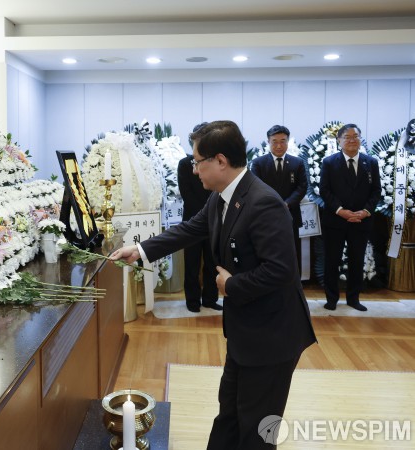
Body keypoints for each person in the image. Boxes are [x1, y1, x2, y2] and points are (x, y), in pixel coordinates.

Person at [111, 120, 316, 450]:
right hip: (245, 331)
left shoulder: (263, 202)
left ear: (220, 161)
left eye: (197, 162)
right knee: (229, 415)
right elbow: (191, 229)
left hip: (272, 336)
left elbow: (281, 270)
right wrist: (141, 250)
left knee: (256, 429)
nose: (194, 170)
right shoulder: (222, 197)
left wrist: (230, 285)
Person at [319, 124, 381, 312]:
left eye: (356, 136)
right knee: (332, 260)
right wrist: (340, 210)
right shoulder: (329, 162)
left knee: (357, 260)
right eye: (347, 137)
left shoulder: (371, 163)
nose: (352, 140)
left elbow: (376, 191)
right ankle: (331, 299)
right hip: (335, 220)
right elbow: (324, 190)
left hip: (361, 220)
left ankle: (353, 298)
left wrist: (366, 211)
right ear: (339, 140)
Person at [177, 122, 222, 312]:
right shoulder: (184, 164)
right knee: (192, 263)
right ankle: (192, 300)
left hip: (215, 221)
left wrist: (211, 214)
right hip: (192, 221)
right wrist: (204, 214)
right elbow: (186, 194)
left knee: (213, 262)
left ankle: (210, 298)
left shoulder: (217, 163)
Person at [250, 125, 307, 267]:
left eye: (283, 141)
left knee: (292, 254)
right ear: (268, 142)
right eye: (274, 142)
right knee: (267, 253)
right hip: (266, 216)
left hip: (291, 215)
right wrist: (274, 205)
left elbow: (302, 187)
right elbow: (255, 188)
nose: (279, 145)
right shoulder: (258, 163)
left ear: (288, 142)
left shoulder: (298, 163)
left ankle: (293, 281)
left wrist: (287, 203)